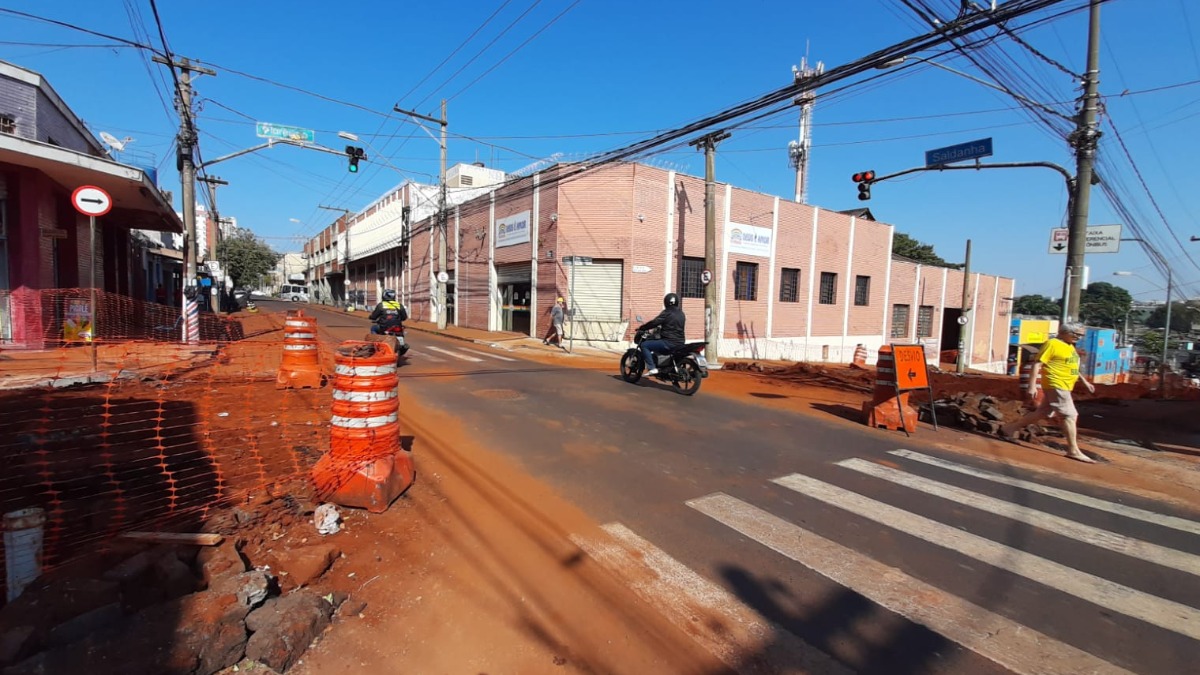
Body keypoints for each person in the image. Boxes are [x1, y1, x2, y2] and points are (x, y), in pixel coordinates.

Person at [999, 322, 1096, 463]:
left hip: (1065, 385)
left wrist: (1085, 382)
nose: (1078, 337)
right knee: (1069, 415)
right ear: (1064, 332)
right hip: (1056, 384)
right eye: (1076, 334)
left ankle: (1009, 429)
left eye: (1081, 335)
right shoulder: (1052, 344)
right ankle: (1073, 450)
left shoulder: (1070, 347)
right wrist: (1032, 386)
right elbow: (1037, 364)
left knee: (1042, 412)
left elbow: (1072, 366)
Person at [636, 293, 685, 376]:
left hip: (668, 342)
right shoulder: (681, 313)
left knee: (645, 345)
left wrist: (643, 327)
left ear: (666, 302)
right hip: (680, 342)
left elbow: (655, 322)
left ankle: (652, 368)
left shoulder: (667, 312)